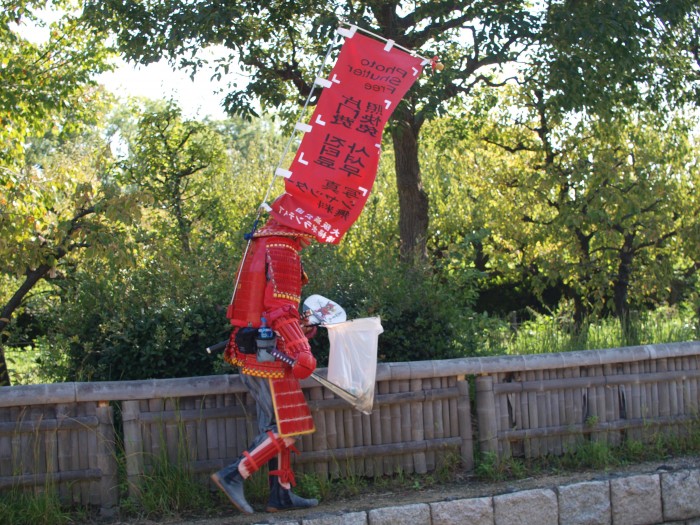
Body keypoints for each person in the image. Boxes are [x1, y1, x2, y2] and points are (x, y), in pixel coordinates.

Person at [211, 217, 319, 514]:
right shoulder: (281, 246)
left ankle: (280, 494)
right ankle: (235, 474)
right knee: (288, 427)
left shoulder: (264, 243)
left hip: (263, 352)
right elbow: (279, 310)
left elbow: (270, 308)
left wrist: (301, 328)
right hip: (269, 356)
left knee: (275, 424)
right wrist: (302, 348)